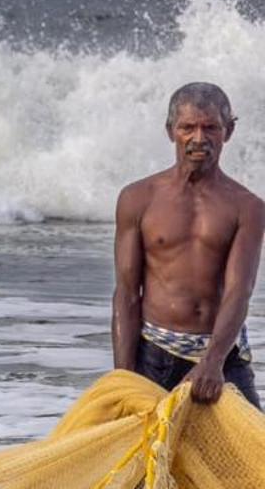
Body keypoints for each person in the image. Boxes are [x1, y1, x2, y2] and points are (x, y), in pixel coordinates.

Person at [112, 83, 264, 406]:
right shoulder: (138, 198)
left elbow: (240, 290)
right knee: (142, 454)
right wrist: (123, 381)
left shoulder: (247, 207)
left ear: (229, 131)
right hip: (154, 355)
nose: (198, 139)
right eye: (187, 127)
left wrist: (212, 362)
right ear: (171, 131)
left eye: (211, 127)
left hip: (222, 356)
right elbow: (126, 294)